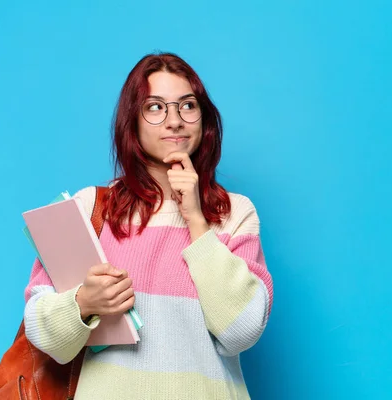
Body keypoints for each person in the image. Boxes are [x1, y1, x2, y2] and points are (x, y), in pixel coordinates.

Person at [23, 52, 274, 400]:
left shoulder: (236, 213)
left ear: (205, 119)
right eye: (155, 107)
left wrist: (197, 221)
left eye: (187, 105)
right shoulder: (91, 208)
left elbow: (242, 332)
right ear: (133, 122)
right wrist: (84, 303)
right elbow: (43, 334)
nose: (174, 121)